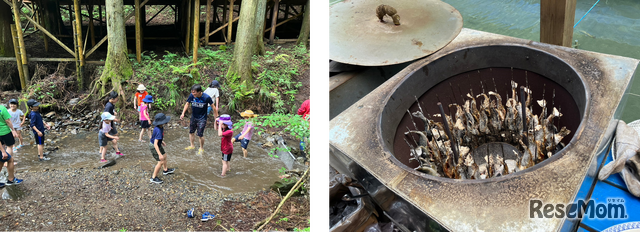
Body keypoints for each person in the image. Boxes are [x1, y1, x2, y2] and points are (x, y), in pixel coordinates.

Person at [180, 84, 214, 155]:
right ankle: (192, 145)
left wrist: (216, 117)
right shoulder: (192, 96)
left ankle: (201, 148)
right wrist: (183, 113)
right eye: (192, 92)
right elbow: (187, 104)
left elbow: (213, 107)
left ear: (199, 92)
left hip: (202, 118)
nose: (193, 94)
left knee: (200, 134)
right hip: (194, 117)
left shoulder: (206, 97)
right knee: (191, 132)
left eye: (194, 92)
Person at [149, 113, 175, 184]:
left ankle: (165, 170)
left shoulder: (159, 127)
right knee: (160, 161)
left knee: (165, 155)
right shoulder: (159, 130)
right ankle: (153, 178)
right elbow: (155, 144)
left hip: (158, 144)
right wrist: (159, 154)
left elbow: (154, 137)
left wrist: (162, 141)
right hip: (154, 146)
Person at [102, 91, 123, 156]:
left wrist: (114, 113)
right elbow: (105, 116)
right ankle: (102, 151)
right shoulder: (109, 106)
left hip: (110, 123)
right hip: (107, 123)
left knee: (115, 134)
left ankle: (114, 147)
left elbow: (110, 113)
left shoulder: (111, 104)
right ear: (113, 99)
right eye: (117, 98)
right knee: (109, 136)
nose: (117, 100)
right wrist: (114, 119)